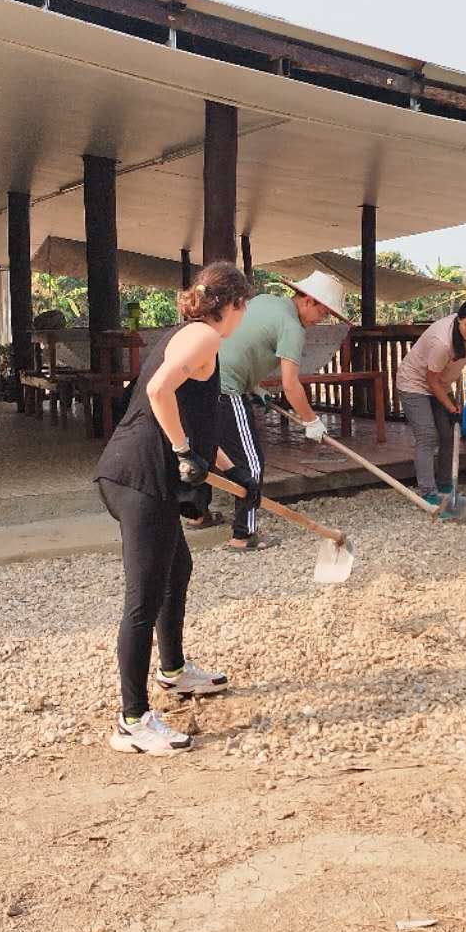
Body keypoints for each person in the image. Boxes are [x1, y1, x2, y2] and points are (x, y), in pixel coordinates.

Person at [94, 262, 260, 755]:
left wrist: (234, 472)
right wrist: (184, 451)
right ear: (232, 304)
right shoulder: (203, 337)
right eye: (244, 307)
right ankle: (131, 721)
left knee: (177, 569)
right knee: (143, 599)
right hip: (140, 477)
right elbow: (157, 392)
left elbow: (190, 418)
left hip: (142, 475)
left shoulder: (190, 334)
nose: (243, 317)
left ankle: (173, 671)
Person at [213, 271, 349, 550]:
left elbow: (241, 347)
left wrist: (254, 387)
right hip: (225, 388)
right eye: (323, 311)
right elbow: (290, 385)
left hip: (206, 377)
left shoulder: (265, 301)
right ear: (308, 301)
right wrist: (311, 420)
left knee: (204, 449)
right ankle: (243, 535)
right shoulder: (292, 326)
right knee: (250, 463)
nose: (322, 319)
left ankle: (197, 514)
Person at [397, 298, 466, 504]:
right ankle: (429, 493)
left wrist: (452, 403)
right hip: (414, 383)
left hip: (440, 384)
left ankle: (446, 486)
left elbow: (447, 373)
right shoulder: (442, 342)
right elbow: (431, 380)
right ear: (459, 320)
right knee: (427, 436)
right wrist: (450, 406)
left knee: (448, 435)